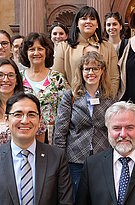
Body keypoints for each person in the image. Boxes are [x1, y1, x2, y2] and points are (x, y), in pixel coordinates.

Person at [0, 92, 73, 204]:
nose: (25, 121)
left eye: (31, 114)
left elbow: (66, 201)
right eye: (18, 114)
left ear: (40, 119)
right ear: (7, 120)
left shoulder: (57, 157)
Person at [53, 51, 117, 198]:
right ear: (81, 71)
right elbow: (60, 131)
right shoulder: (71, 96)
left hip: (102, 156)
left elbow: (114, 128)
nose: (91, 72)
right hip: (75, 159)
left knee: (101, 198)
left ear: (102, 70)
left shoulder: (110, 96)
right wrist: (61, 160)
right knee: (76, 198)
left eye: (95, 68)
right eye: (87, 69)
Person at [0, 59, 45, 153]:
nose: (5, 79)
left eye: (11, 75)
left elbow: (40, 136)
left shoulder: (31, 106)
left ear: (17, 80)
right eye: (0, 75)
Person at [53, 6, 119, 97]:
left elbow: (114, 78)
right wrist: (73, 97)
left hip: (103, 102)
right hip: (73, 103)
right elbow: (58, 77)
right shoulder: (64, 47)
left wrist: (108, 98)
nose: (88, 21)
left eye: (92, 19)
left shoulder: (108, 47)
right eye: (84, 18)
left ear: (97, 24)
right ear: (77, 23)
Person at [19, 32, 65, 144]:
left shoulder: (56, 78)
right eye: (31, 49)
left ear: (47, 51)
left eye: (40, 49)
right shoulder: (18, 78)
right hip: (24, 129)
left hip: (51, 134)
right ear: (26, 53)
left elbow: (62, 111)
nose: (36, 53)